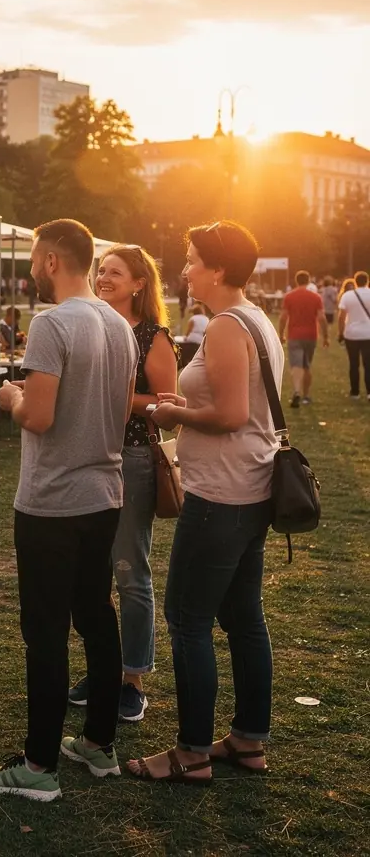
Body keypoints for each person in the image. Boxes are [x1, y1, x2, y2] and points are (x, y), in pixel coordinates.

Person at [0, 220, 137, 802]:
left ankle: (39, 765)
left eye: (34, 261)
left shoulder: (52, 323)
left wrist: (12, 395)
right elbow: (119, 412)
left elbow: (38, 417)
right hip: (104, 495)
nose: (32, 271)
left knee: (45, 631)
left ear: (49, 260)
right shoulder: (119, 324)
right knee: (96, 616)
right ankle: (97, 742)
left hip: (52, 503)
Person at [128, 219, 281, 784]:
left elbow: (232, 414)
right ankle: (247, 740)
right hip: (251, 489)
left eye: (192, 259)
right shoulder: (255, 318)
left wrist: (173, 413)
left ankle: (191, 752)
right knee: (243, 618)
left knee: (187, 619)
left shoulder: (225, 326)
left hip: (222, 495)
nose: (185, 269)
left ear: (218, 269)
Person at [67, 245, 178, 723]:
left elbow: (168, 405)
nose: (104, 277)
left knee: (130, 572)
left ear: (139, 283)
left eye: (115, 272)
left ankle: (132, 679)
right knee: (91, 573)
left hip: (131, 459)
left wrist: (112, 394)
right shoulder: (88, 324)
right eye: (101, 271)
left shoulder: (152, 335)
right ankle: (103, 669)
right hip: (85, 456)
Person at [278, 270, 329, 407]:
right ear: (308, 281)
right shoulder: (316, 297)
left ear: (296, 281)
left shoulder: (289, 297)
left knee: (296, 365)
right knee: (306, 365)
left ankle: (296, 391)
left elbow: (283, 317)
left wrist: (281, 334)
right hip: (311, 335)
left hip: (294, 335)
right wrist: (326, 336)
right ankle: (306, 396)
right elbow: (321, 317)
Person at [337, 270, 370, 399]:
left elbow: (341, 316)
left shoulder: (348, 296)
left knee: (353, 363)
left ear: (355, 281)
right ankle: (369, 392)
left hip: (351, 333)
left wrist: (340, 333)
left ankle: (355, 392)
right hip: (368, 334)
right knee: (368, 364)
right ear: (367, 281)